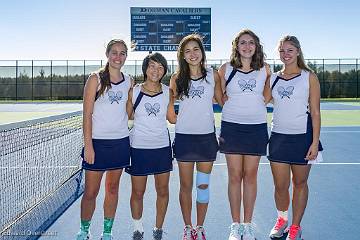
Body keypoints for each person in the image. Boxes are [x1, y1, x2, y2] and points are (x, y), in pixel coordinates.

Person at [267, 35, 323, 240]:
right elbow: (259, 100)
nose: (285, 54)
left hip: (303, 138)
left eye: (290, 50)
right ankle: (282, 220)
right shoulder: (272, 78)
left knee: (300, 183)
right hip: (278, 138)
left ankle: (295, 227)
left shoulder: (309, 77)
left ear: (298, 51)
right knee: (280, 186)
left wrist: (314, 142)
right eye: (282, 50)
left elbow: (315, 112)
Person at [76, 39, 132, 240]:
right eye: (114, 52)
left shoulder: (129, 81)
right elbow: (87, 115)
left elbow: (129, 112)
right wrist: (88, 146)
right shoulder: (95, 79)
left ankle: (107, 232)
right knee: (91, 191)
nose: (118, 57)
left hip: (120, 143)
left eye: (122, 53)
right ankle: (84, 231)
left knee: (113, 188)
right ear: (107, 54)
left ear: (126, 56)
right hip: (97, 144)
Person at [218, 29, 271, 240]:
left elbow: (266, 96)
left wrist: (253, 109)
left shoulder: (265, 69)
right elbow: (219, 94)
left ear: (256, 46)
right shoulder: (226, 68)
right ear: (236, 46)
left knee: (250, 177)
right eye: (242, 43)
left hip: (256, 128)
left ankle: (248, 226)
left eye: (251, 42)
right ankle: (235, 226)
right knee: (234, 176)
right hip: (231, 127)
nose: (247, 46)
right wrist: (229, 108)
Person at [169, 34, 223, 240]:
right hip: (184, 139)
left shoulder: (213, 75)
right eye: (187, 51)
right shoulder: (176, 78)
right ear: (182, 55)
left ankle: (199, 227)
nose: (192, 54)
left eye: (196, 49)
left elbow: (223, 99)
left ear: (202, 52)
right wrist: (173, 118)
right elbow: (168, 105)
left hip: (206, 139)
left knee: (203, 185)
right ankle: (187, 226)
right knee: (185, 186)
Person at [125, 52, 177, 240]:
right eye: (152, 66)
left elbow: (172, 118)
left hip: (162, 148)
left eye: (160, 67)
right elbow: (127, 116)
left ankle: (158, 228)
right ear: (145, 68)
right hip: (138, 149)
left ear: (164, 70)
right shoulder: (135, 91)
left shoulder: (168, 92)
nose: (156, 70)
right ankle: (138, 228)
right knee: (138, 192)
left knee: (162, 191)